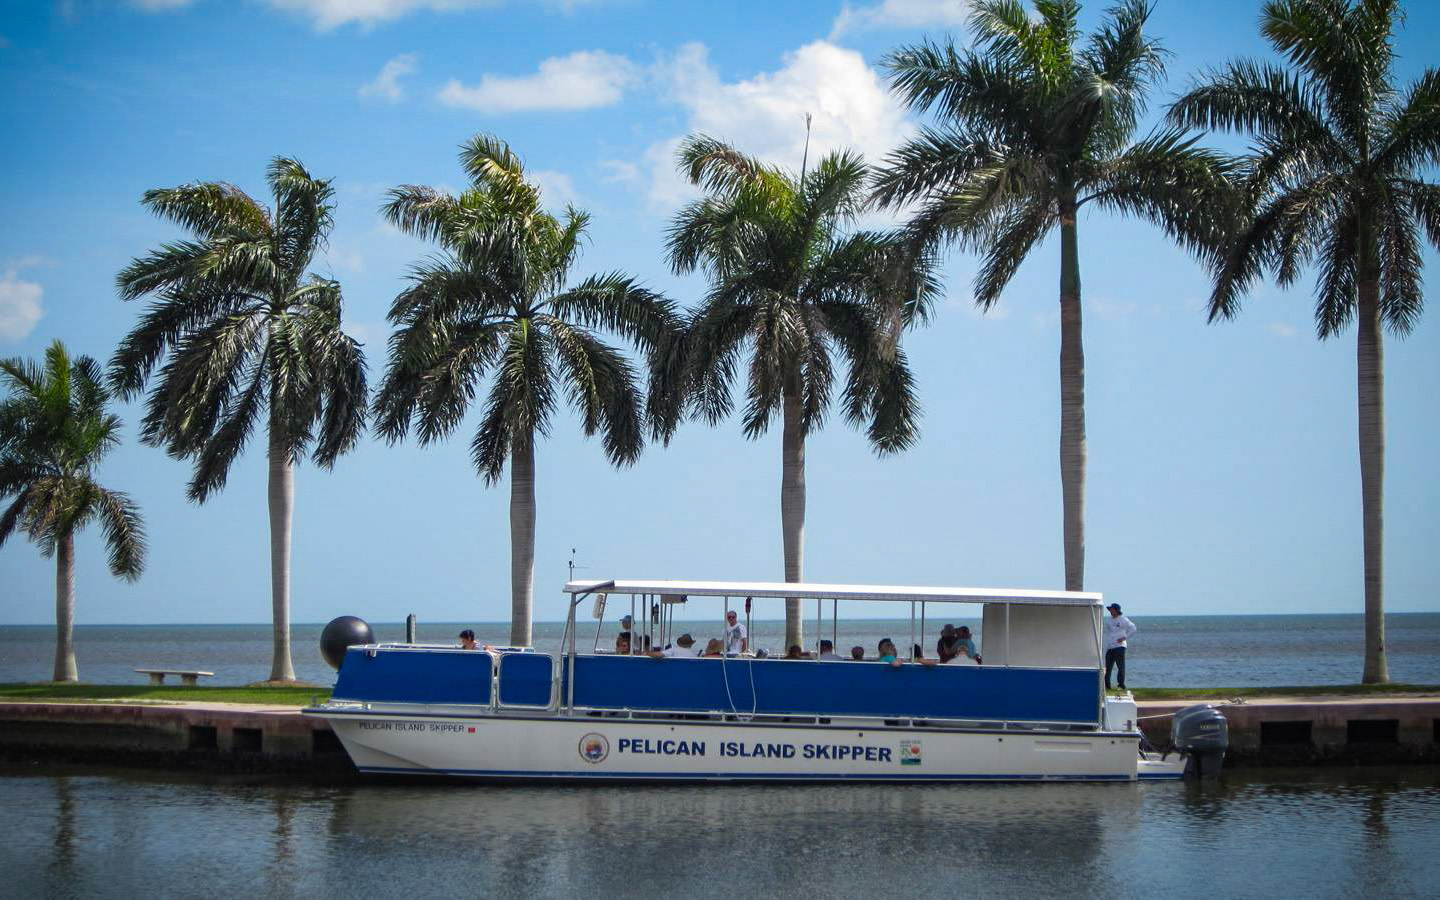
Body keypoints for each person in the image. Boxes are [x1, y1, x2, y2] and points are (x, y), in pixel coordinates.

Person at [1103, 602, 1137, 690]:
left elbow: (1133, 628)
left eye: (1112, 609)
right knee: (1108, 666)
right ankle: (1107, 685)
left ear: (1117, 610)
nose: (1111, 611)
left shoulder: (1123, 619)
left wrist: (1125, 637)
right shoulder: (1109, 620)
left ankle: (1121, 684)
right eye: (1110, 610)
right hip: (1110, 647)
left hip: (1120, 646)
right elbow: (1110, 632)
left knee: (1120, 666)